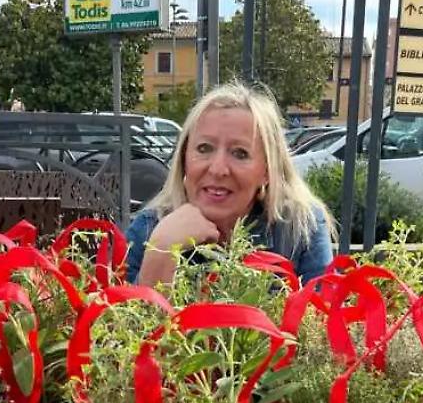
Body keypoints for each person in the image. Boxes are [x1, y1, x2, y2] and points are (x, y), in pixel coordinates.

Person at [125, 82, 334, 286]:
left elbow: (322, 316)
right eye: (204, 148)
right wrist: (162, 250)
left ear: (267, 171)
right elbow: (119, 318)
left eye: (240, 153)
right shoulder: (147, 229)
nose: (217, 169)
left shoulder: (300, 230)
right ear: (184, 159)